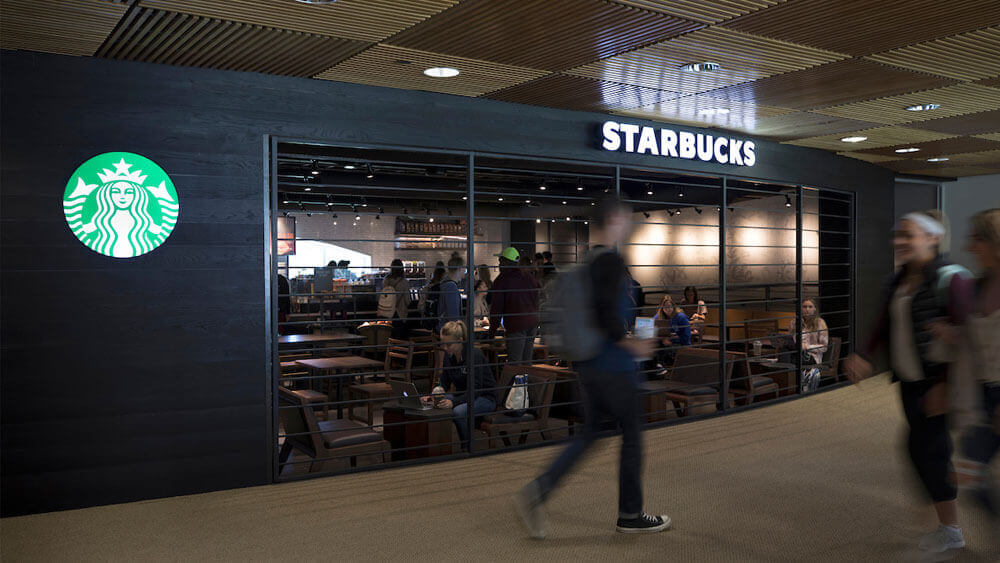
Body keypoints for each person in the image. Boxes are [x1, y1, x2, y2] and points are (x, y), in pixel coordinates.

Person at [514, 196, 668, 538]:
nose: (627, 224)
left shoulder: (586, 262)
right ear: (613, 219)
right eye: (625, 218)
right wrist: (633, 344)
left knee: (592, 432)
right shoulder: (611, 261)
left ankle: (540, 488)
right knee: (632, 435)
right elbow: (606, 316)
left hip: (587, 363)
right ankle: (630, 514)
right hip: (614, 364)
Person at [843, 210, 973, 555]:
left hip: (936, 382)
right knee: (922, 449)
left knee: (929, 450)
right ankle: (943, 518)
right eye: (897, 236)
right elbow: (882, 324)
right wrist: (864, 354)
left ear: (932, 239)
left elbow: (969, 336)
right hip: (909, 380)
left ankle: (950, 529)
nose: (899, 242)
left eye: (908, 235)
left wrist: (945, 384)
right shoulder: (897, 280)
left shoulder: (951, 279)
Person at [952, 209, 1000, 516]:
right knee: (970, 474)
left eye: (976, 239)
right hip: (984, 395)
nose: (970, 247)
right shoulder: (978, 286)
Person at [423, 320, 498, 450]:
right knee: (437, 403)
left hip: (485, 398)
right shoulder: (449, 356)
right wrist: (435, 394)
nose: (445, 348)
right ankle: (439, 447)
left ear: (461, 340)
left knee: (458, 411)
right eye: (443, 344)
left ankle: (467, 447)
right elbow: (444, 383)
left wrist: (454, 402)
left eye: (449, 344)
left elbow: (475, 390)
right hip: (464, 395)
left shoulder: (474, 355)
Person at [490, 247, 540, 366]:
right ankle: (526, 384)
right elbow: (537, 299)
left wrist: (491, 333)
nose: (499, 264)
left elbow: (496, 309)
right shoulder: (529, 277)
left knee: (515, 364)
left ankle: (517, 384)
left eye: (500, 261)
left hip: (516, 324)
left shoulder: (502, 280)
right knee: (527, 362)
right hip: (532, 324)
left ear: (506, 262)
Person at [377, 258, 412, 339]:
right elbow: (408, 301)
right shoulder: (404, 282)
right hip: (399, 313)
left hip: (387, 312)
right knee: (399, 336)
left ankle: (389, 350)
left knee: (388, 335)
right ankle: (398, 350)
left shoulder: (386, 279)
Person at [436, 255, 464, 333]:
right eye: (464, 268)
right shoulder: (451, 287)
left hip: (442, 328)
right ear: (459, 269)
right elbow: (453, 314)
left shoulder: (444, 283)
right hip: (448, 332)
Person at [418, 262, 446, 331]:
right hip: (441, 323)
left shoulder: (427, 288)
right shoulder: (444, 288)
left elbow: (420, 307)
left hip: (428, 321)